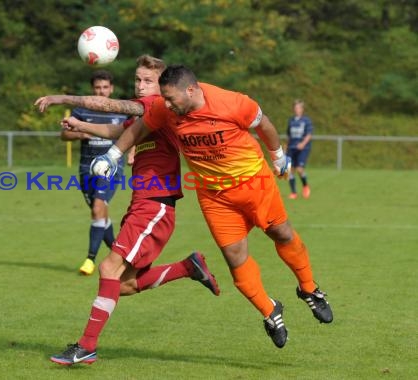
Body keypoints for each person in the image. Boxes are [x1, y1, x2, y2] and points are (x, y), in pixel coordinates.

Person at [91, 65, 333, 349]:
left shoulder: (231, 102)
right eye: (164, 99)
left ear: (190, 90)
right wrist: (112, 155)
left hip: (255, 184)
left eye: (170, 98)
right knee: (235, 259)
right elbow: (142, 126)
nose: (165, 104)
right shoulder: (166, 109)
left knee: (281, 234)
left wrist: (277, 156)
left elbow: (264, 123)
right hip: (215, 196)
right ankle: (270, 311)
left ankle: (309, 289)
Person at [35, 56, 220, 365]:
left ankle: (86, 346)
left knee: (108, 269)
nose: (140, 85)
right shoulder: (146, 114)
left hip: (155, 204)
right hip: (145, 204)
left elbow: (111, 106)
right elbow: (119, 132)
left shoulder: (158, 106)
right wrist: (81, 125)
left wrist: (61, 98)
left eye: (147, 81)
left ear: (162, 88)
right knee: (125, 285)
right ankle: (188, 267)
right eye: (137, 79)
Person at [60, 70, 128, 275]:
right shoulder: (81, 110)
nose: (101, 91)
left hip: (111, 167)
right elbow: (64, 135)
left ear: (112, 89)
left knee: (98, 208)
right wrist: (83, 132)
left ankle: (90, 260)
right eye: (98, 87)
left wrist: (132, 153)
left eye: (105, 87)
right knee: (101, 214)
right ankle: (120, 256)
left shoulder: (121, 110)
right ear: (93, 89)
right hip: (86, 168)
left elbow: (133, 132)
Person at [286, 99, 313, 199]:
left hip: (303, 148)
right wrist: (286, 147)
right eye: (295, 107)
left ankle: (305, 186)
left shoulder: (306, 121)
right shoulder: (291, 120)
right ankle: (293, 193)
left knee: (299, 169)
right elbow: (289, 135)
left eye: (298, 107)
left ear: (302, 109)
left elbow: (309, 135)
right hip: (292, 148)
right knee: (290, 170)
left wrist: (302, 143)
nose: (296, 109)